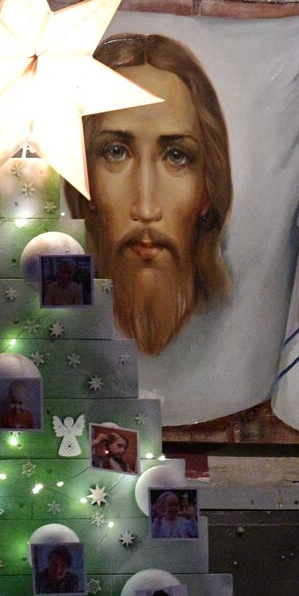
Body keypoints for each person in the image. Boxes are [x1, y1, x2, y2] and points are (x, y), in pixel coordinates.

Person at [67, 34, 233, 355]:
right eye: (115, 152)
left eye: (176, 156)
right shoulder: (52, 327)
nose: (145, 208)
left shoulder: (235, 327)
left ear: (208, 191)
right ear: (82, 180)